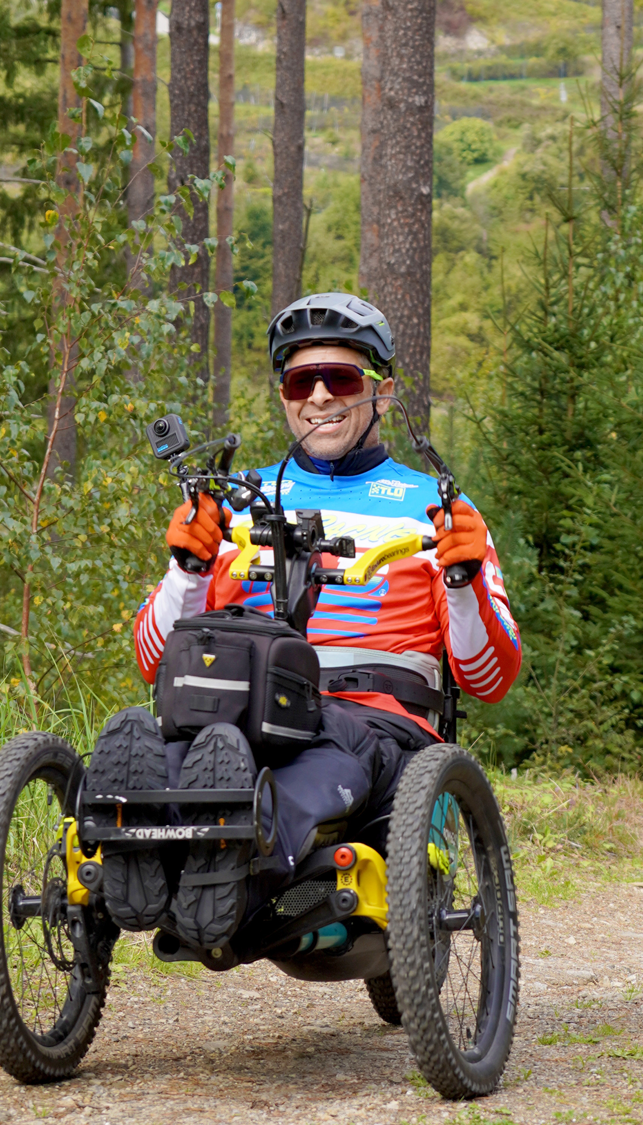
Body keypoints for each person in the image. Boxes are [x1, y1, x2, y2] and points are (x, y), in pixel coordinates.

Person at [92, 292, 523, 951]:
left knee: (318, 753)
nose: (320, 396)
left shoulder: (435, 508)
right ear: (285, 396)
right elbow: (154, 658)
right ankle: (146, 849)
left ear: (383, 393)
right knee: (188, 745)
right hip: (243, 715)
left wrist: (460, 581)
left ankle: (230, 855)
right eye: (301, 380)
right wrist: (185, 568)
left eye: (341, 378)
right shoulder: (237, 503)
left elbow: (488, 677)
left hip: (374, 720)